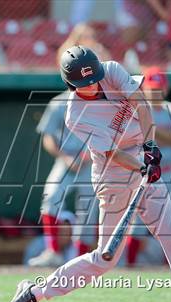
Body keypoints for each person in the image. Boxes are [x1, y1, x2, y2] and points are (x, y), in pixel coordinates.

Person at [6, 46, 171, 302]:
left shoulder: (111, 70)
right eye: (85, 84)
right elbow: (112, 153)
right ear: (71, 84)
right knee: (105, 258)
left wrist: (149, 147)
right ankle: (36, 292)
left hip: (140, 154)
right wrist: (141, 168)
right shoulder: (74, 115)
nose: (93, 85)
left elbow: (141, 103)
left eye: (94, 79)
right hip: (112, 172)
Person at [126, 66, 171, 266]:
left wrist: (151, 130)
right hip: (145, 173)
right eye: (152, 88)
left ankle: (170, 268)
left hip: (170, 172)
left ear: (166, 88)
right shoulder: (138, 109)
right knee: (136, 223)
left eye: (158, 88)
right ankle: (129, 265)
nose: (155, 92)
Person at [27, 89, 98, 267]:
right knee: (50, 197)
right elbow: (48, 138)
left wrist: (91, 154)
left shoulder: (99, 101)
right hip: (66, 160)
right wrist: (64, 157)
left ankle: (82, 259)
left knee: (88, 210)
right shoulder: (59, 102)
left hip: (91, 162)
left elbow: (109, 133)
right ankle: (53, 252)